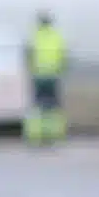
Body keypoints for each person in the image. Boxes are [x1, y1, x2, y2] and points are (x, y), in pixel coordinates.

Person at [25, 11, 67, 146]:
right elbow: (63, 56)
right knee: (53, 107)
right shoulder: (56, 36)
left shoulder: (34, 36)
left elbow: (28, 56)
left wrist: (31, 70)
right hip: (53, 76)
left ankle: (35, 135)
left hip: (38, 76)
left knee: (37, 107)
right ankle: (54, 134)